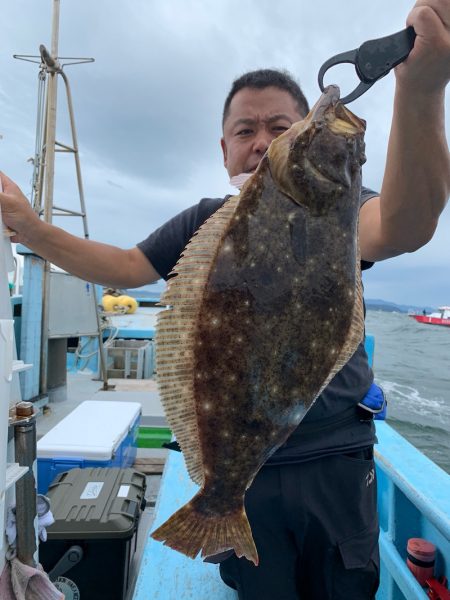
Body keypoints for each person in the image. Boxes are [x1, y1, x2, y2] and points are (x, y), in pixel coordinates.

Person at [1, 1, 450, 597]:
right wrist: (31, 230)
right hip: (248, 469)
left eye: (283, 128)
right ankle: (220, 506)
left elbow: (405, 223)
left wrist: (419, 92)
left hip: (334, 456)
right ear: (224, 150)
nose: (263, 142)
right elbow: (128, 267)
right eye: (246, 130)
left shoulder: (334, 212)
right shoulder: (204, 222)